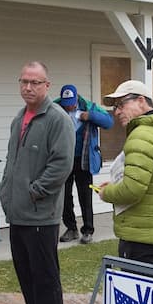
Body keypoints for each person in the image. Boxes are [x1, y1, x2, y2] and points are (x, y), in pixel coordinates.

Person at [0, 62, 75, 304]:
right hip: (18, 213)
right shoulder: (20, 117)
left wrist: (35, 191)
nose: (28, 87)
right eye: (24, 81)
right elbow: (12, 160)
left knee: (45, 278)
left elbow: (61, 165)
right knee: (26, 274)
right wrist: (6, 191)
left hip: (41, 215)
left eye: (35, 82)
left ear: (47, 85)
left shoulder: (57, 119)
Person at [97, 80, 153, 266]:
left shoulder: (142, 135)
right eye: (115, 107)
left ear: (141, 101)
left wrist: (107, 193)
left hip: (138, 234)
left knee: (137, 292)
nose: (116, 112)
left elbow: (132, 190)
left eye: (121, 104)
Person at [54, 84, 113, 245]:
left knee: (85, 195)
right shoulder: (55, 107)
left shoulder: (89, 106)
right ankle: (71, 228)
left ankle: (87, 230)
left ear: (76, 98)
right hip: (63, 159)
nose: (69, 107)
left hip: (84, 159)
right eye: (66, 104)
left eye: (71, 103)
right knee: (64, 195)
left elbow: (109, 122)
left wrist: (91, 116)